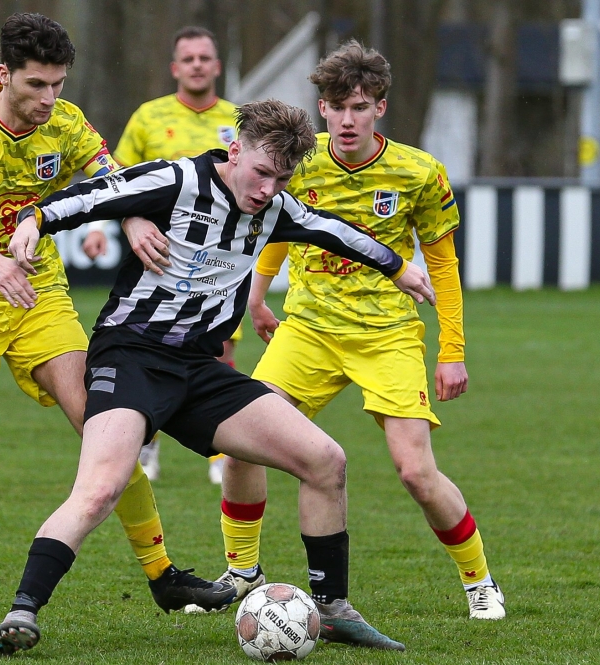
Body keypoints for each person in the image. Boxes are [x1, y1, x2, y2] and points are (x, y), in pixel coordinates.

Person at [0, 99, 436, 655]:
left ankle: (333, 608)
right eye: (262, 172)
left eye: (282, 178)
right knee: (102, 486)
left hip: (199, 370)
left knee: (326, 460)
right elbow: (89, 197)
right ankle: (22, 611)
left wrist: (398, 267)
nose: (269, 188)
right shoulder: (175, 180)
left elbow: (335, 231)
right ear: (235, 150)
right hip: (131, 356)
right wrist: (33, 222)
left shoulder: (275, 211)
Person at [0, 13, 233, 648]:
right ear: (5, 73)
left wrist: (131, 224)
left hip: (39, 298)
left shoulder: (65, 123)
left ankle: (163, 574)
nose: (48, 100)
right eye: (37, 85)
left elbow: (116, 180)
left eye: (58, 85)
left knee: (108, 423)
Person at [203, 40, 505, 621]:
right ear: (321, 108)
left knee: (416, 470)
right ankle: (243, 572)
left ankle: (479, 582)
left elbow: (442, 266)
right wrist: (258, 300)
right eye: (336, 105)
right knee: (238, 443)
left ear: (380, 110)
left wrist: (453, 351)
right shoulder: (301, 160)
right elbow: (279, 228)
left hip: (387, 332)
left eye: (360, 106)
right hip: (309, 328)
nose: (347, 118)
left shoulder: (418, 171)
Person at [114, 25, 240, 485]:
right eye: (188, 59)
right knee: (149, 348)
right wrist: (115, 226)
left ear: (217, 65)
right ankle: (146, 449)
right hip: (158, 253)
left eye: (205, 58)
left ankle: (219, 453)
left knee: (218, 347)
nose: (197, 65)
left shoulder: (238, 120)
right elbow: (120, 179)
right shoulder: (149, 117)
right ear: (175, 68)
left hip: (219, 259)